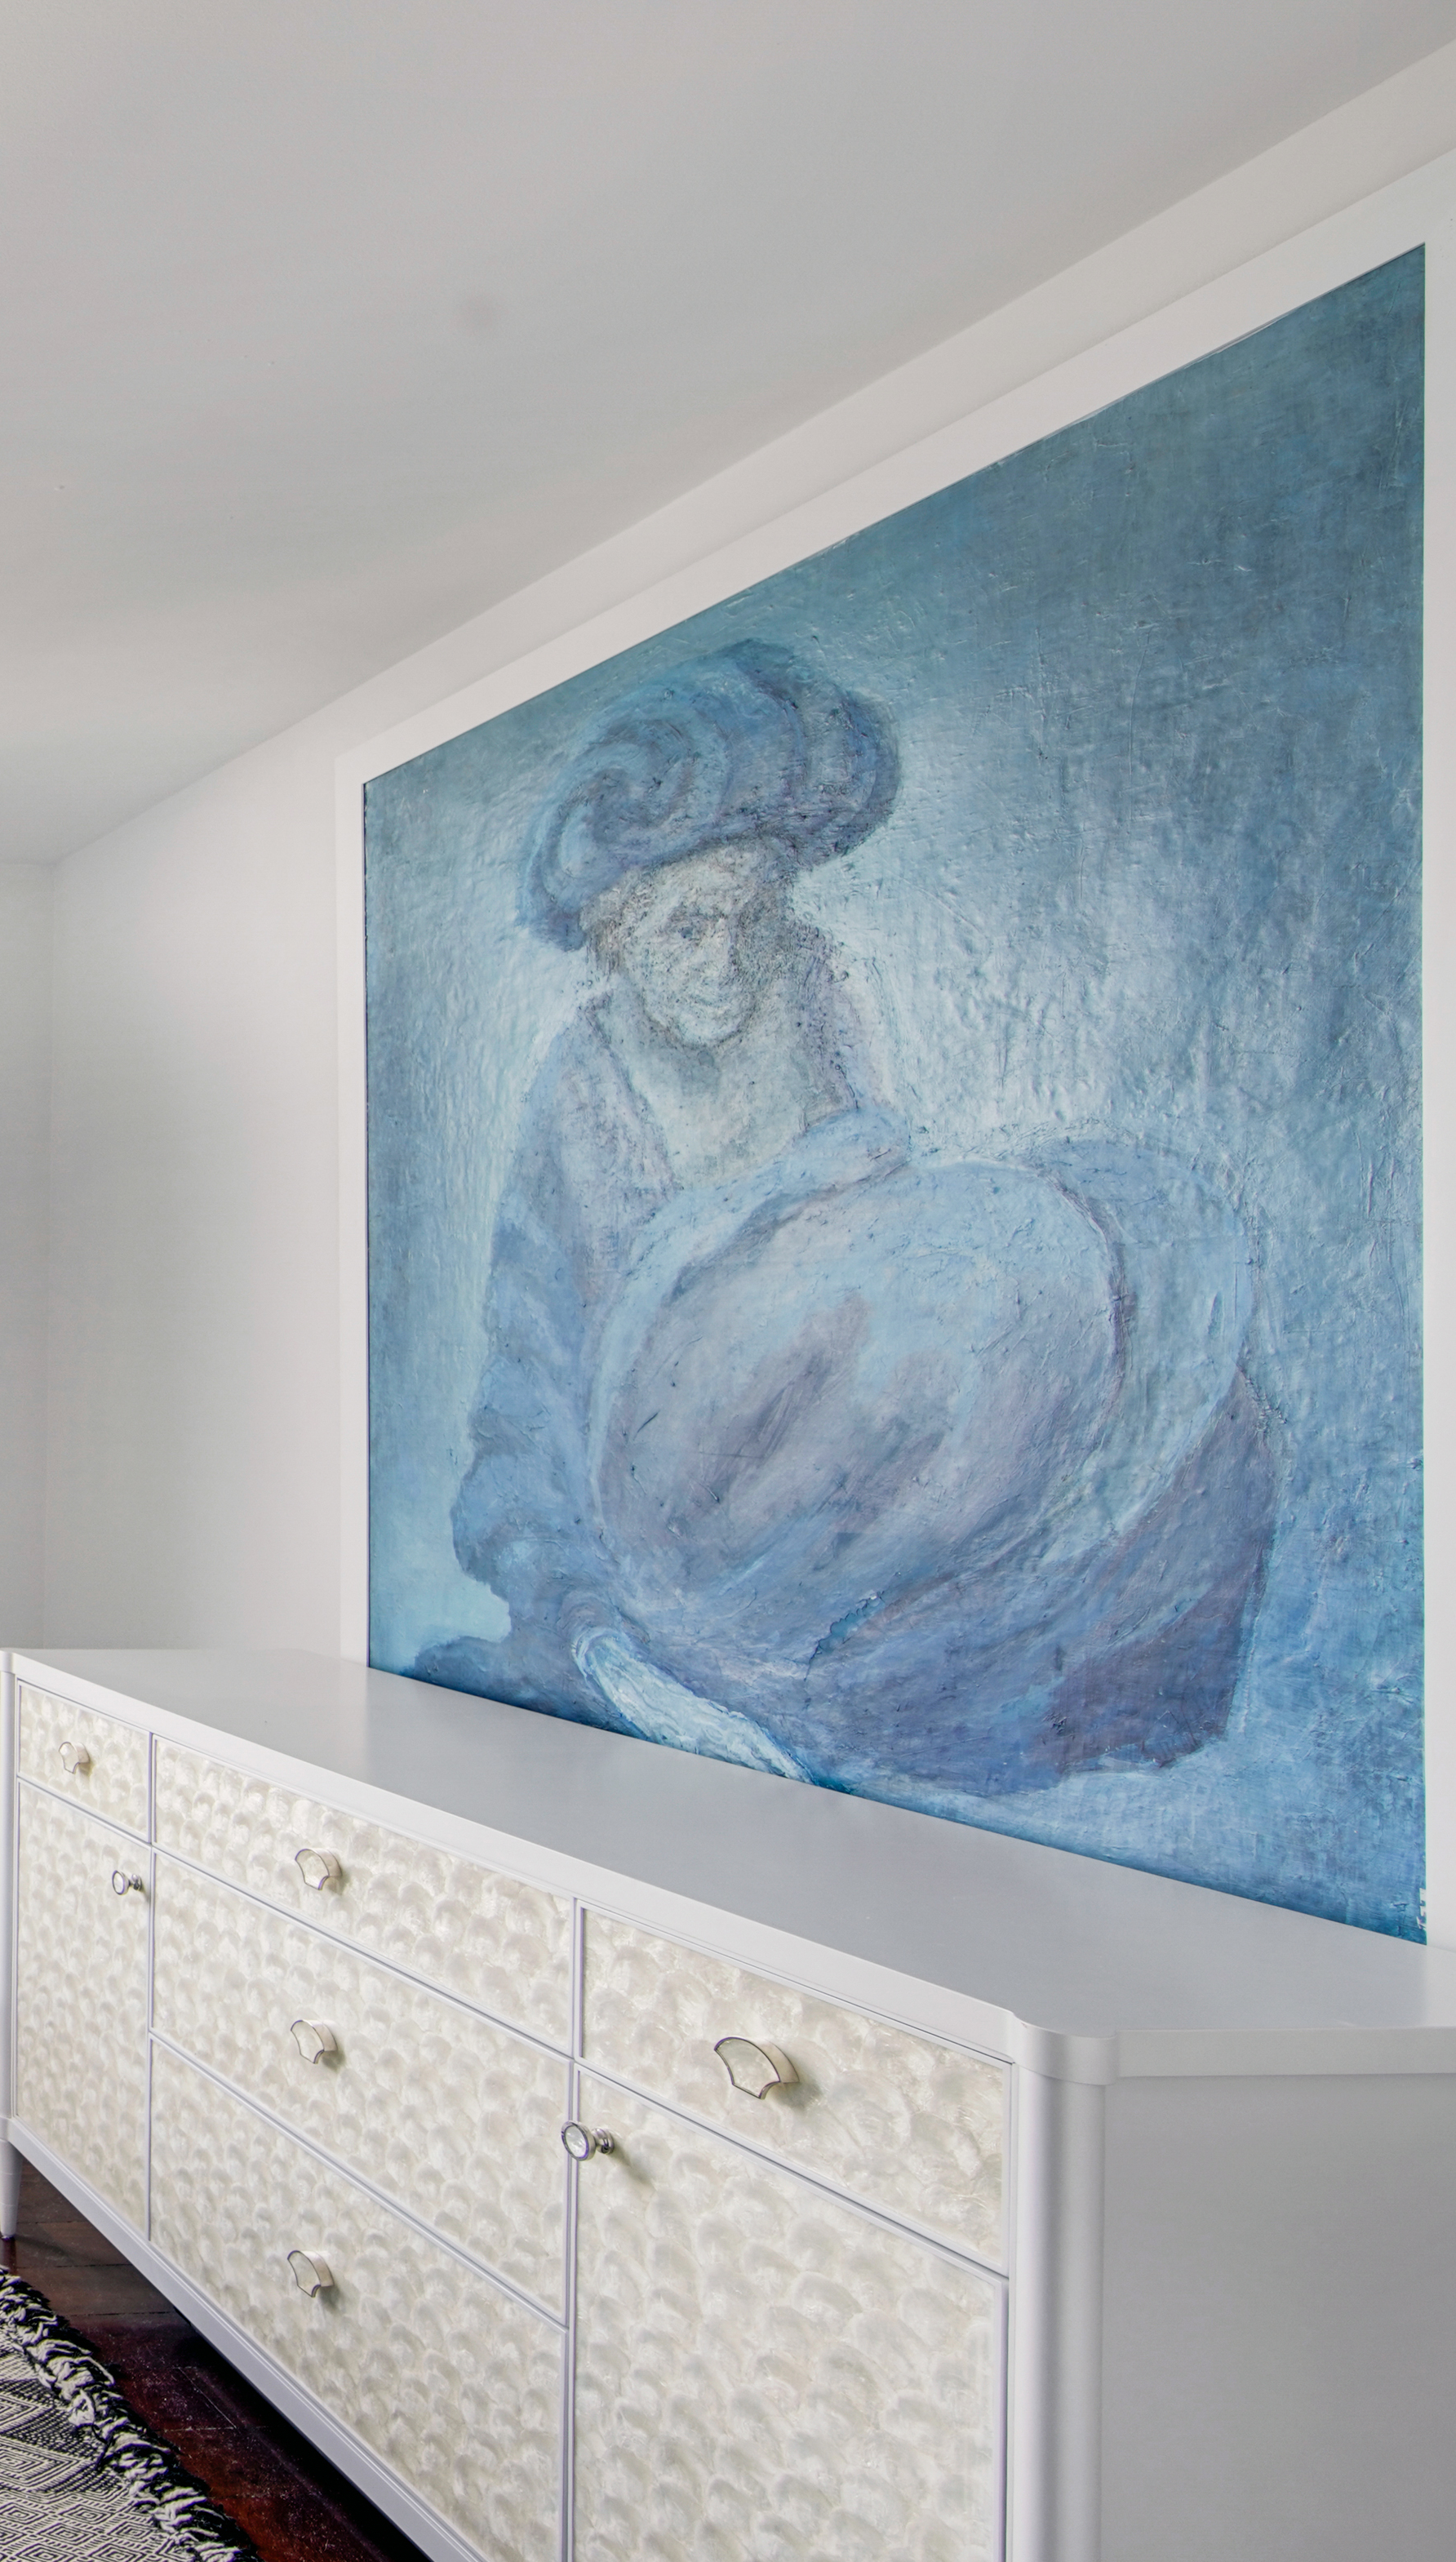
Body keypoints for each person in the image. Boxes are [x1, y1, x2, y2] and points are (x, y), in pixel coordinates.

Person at [414, 642, 1273, 1794]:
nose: (727, 961)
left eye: (749, 918)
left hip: (861, 1448)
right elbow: (526, 1397)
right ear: (616, 933)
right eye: (685, 929)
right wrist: (592, 1639)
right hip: (706, 1515)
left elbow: (867, 1217)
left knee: (1194, 1419)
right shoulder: (584, 1090)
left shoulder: (805, 984)